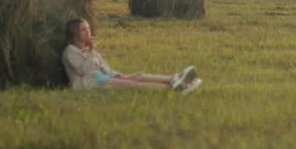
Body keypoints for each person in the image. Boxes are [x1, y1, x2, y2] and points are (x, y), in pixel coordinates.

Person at [62, 18, 201, 94]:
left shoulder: (91, 50)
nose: (88, 32)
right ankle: (174, 89)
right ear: (74, 33)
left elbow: (104, 68)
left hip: (104, 78)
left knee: (139, 75)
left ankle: (175, 78)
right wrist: (91, 51)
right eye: (83, 30)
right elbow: (83, 71)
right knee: (132, 84)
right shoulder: (70, 51)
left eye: (88, 28)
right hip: (89, 84)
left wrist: (116, 75)